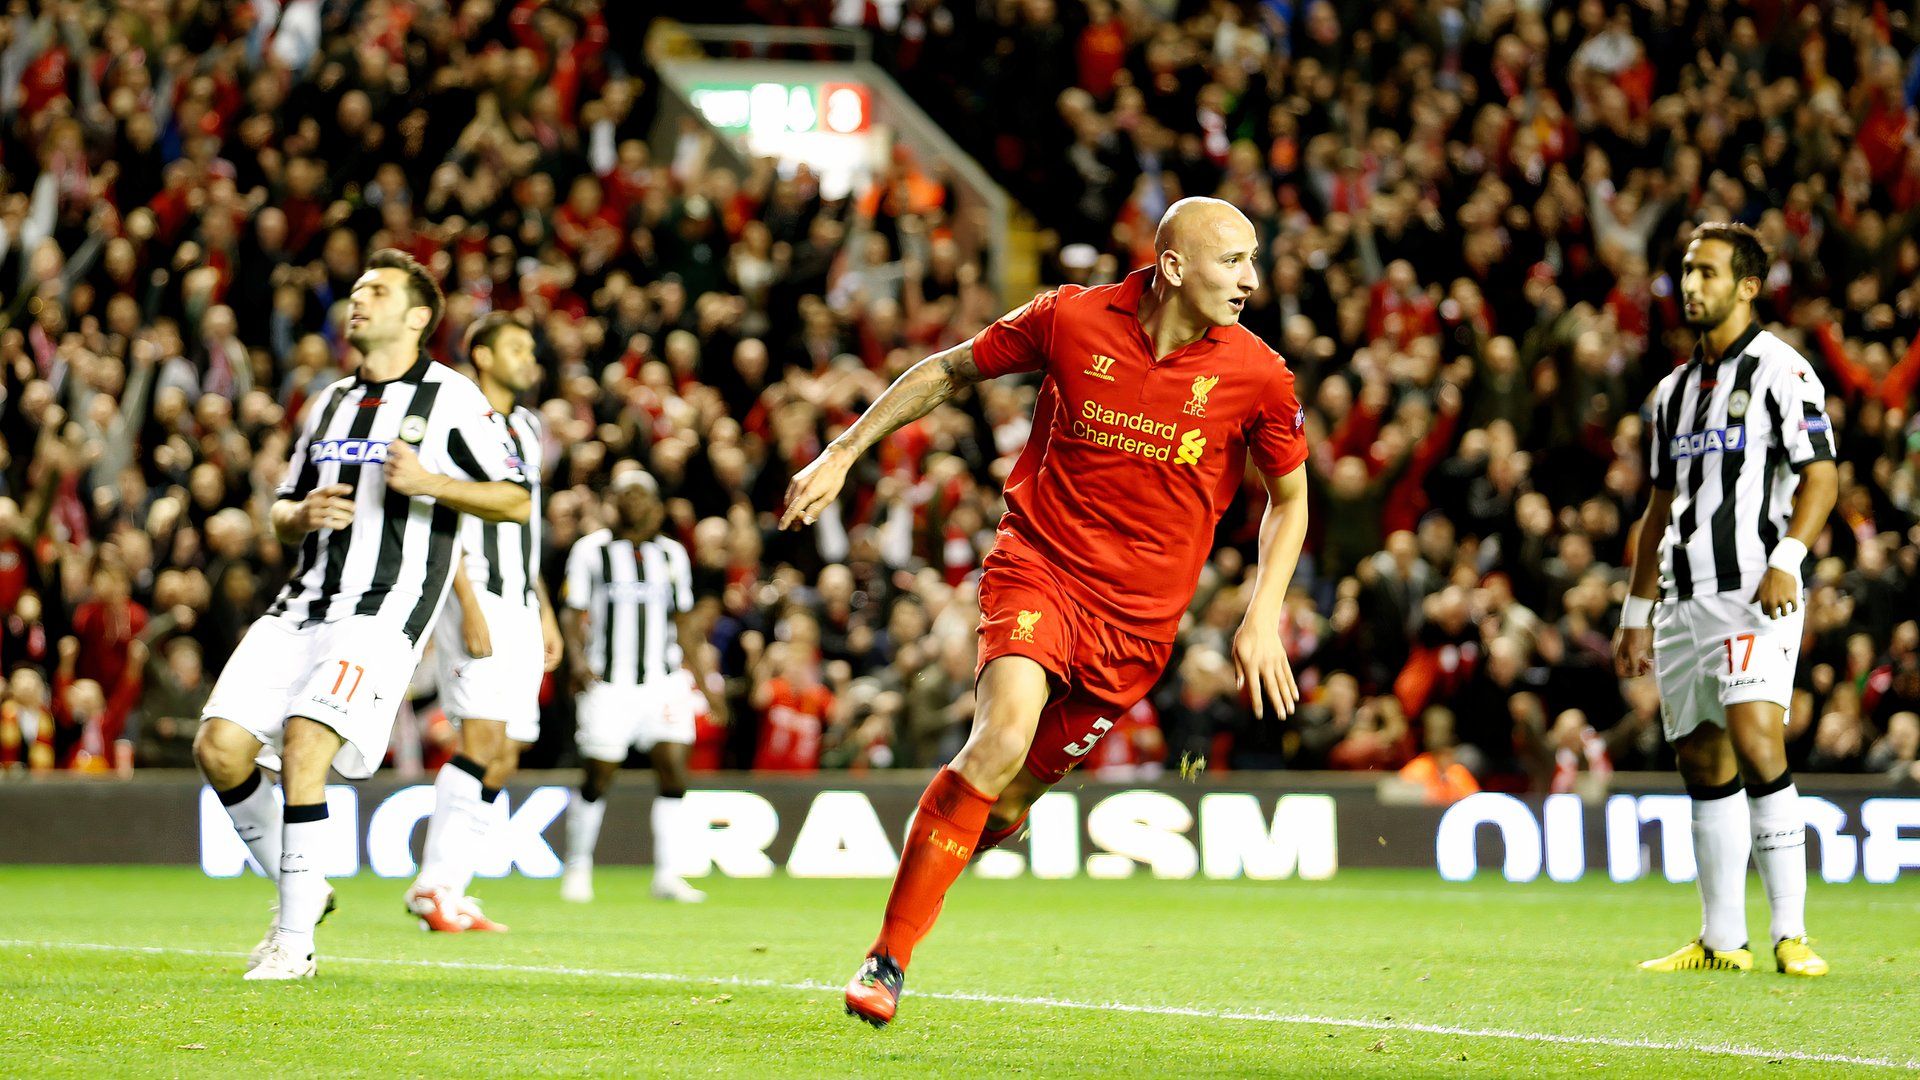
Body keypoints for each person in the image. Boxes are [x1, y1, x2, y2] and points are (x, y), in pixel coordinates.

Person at [784, 198, 1311, 1026]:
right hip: (1041, 568)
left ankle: (944, 851)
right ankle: (887, 958)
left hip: (1137, 626)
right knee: (999, 738)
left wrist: (1260, 614)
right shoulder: (1072, 318)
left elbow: (1291, 498)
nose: (1251, 279)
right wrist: (844, 449)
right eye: (1233, 260)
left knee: (1005, 802)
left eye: (1252, 260)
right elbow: (949, 370)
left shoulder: (1260, 375)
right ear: (1174, 267)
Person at [192, 249, 532, 981]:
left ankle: (292, 942)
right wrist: (301, 514)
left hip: (384, 608)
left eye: (376, 291)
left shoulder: (453, 398)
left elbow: (514, 499)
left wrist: (430, 481)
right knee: (219, 748)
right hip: (303, 602)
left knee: (305, 741)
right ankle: (306, 886)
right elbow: (282, 509)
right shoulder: (330, 401)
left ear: (417, 317)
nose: (358, 299)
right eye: (356, 290)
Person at [1613, 223, 1838, 978]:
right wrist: (1636, 613)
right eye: (1686, 270)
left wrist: (1788, 557)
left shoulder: (1783, 371)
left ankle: (1792, 934)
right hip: (1683, 598)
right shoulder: (1672, 394)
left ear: (1747, 286)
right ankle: (1722, 941)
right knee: (1702, 758)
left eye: (1707, 272)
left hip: (1753, 591)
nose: (1691, 284)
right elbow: (1658, 508)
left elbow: (1822, 474)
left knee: (1756, 737)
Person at [405, 312, 564, 933]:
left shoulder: (527, 427)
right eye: (517, 348)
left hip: (520, 599)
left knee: (507, 750)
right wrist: (466, 603)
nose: (530, 358)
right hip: (475, 593)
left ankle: (452, 887)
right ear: (483, 356)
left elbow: (524, 526)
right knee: (480, 738)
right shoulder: (458, 421)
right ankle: (432, 887)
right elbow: (441, 514)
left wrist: (543, 608)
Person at [559, 470, 721, 904]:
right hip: (609, 682)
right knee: (598, 775)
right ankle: (578, 867)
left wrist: (707, 686)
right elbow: (571, 612)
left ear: (655, 504)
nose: (633, 501)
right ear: (613, 500)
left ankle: (667, 874)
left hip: (662, 681)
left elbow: (684, 622)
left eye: (641, 494)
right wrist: (577, 661)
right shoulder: (591, 550)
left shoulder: (671, 553)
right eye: (625, 493)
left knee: (673, 771)